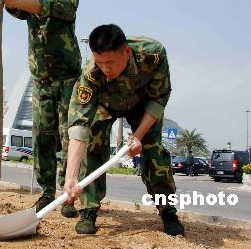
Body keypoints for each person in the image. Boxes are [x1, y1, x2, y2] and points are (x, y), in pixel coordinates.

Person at [64, 24, 184, 236]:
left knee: (155, 152)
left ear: (127, 51)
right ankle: (89, 210)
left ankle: (168, 211)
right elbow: (79, 126)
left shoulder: (152, 54)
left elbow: (159, 99)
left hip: (143, 106)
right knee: (92, 147)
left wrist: (138, 136)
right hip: (105, 105)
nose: (105, 69)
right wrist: (71, 177)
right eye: (100, 63)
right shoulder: (91, 74)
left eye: (110, 62)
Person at [0, 0, 82, 216]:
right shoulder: (27, 5)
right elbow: (12, 3)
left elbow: (38, 5)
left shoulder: (67, 0)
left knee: (69, 136)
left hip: (68, 82)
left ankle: (68, 195)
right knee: (42, 138)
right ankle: (47, 193)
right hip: (41, 84)